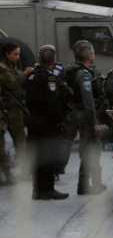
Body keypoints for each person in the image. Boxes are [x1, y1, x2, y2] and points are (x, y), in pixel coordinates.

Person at [25, 45, 70, 200]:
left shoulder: (31, 75)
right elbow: (53, 103)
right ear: (53, 60)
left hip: (33, 121)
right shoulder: (50, 78)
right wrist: (60, 120)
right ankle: (47, 189)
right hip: (47, 123)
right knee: (49, 156)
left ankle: (37, 190)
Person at [67, 40, 107, 195]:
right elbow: (88, 101)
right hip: (86, 116)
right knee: (92, 149)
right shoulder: (83, 74)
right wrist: (94, 123)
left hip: (78, 114)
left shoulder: (76, 70)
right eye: (93, 51)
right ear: (89, 55)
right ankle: (87, 185)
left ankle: (88, 184)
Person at [0, 42, 32, 184]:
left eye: (19, 54)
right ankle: (7, 175)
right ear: (7, 54)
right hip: (6, 110)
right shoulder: (2, 68)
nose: (18, 57)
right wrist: (25, 74)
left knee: (21, 143)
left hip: (16, 110)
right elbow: (12, 83)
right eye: (15, 54)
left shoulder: (13, 67)